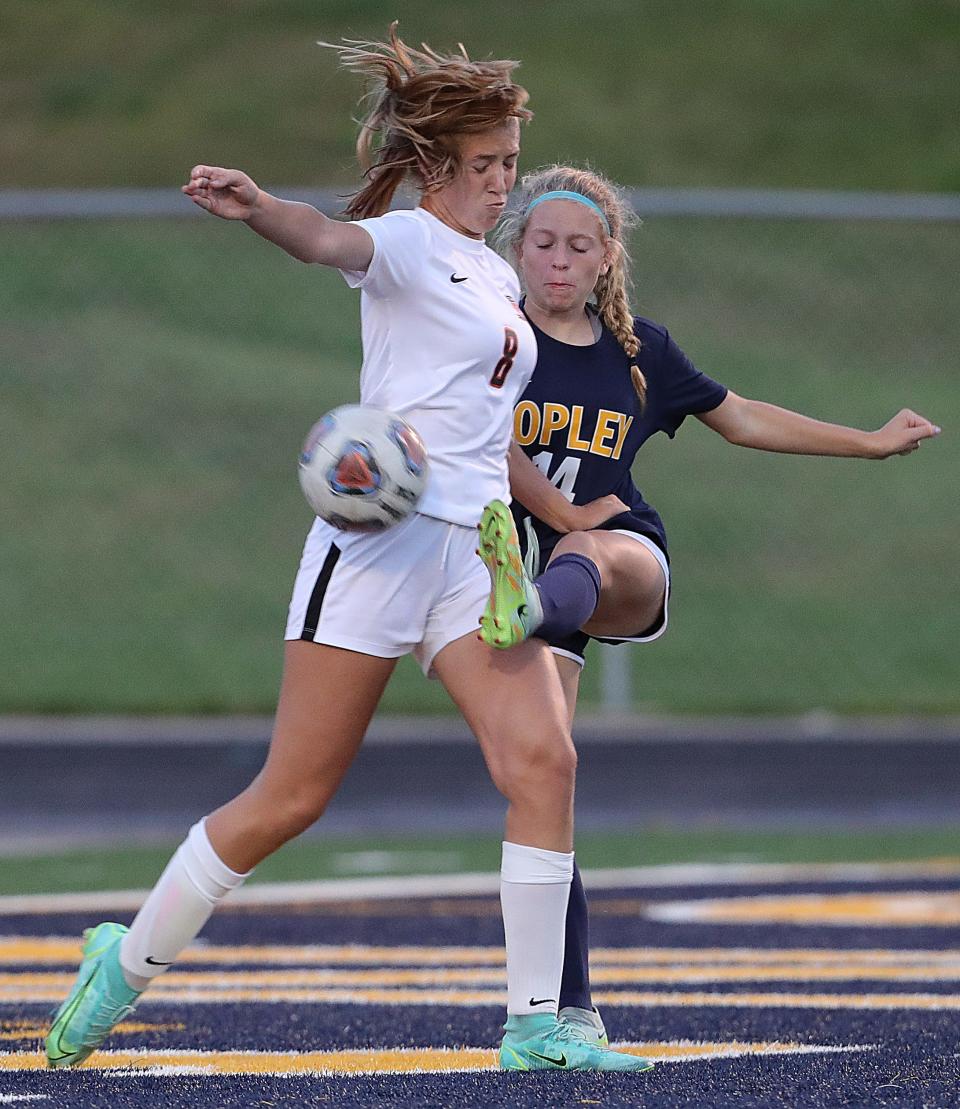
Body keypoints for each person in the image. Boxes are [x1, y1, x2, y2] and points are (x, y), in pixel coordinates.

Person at [45, 32, 654, 1075]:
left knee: (545, 760)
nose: (501, 182)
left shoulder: (496, 276)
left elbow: (484, 428)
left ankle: (536, 1022)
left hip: (474, 553)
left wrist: (538, 516)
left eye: (510, 161)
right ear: (434, 165)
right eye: (485, 164)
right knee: (293, 795)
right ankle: (124, 960)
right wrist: (262, 209)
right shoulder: (410, 241)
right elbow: (329, 242)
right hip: (377, 548)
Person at [478, 163, 941, 1044]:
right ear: (516, 249)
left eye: (580, 246)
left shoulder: (640, 351)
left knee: (589, 545)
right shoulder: (492, 339)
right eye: (543, 244)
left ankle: (532, 605)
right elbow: (483, 439)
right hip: (532, 577)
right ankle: (568, 1010)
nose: (560, 262)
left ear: (608, 256)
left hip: (610, 564)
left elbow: (743, 416)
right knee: (543, 792)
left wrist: (871, 444)